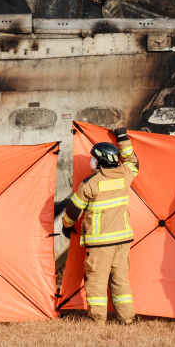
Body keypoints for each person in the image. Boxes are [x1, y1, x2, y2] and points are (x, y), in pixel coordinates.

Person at [61, 128, 140, 325]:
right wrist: (123, 138)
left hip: (100, 244)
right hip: (122, 241)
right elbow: (133, 161)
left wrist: (66, 226)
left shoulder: (90, 183)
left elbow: (73, 209)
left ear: (101, 161)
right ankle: (127, 319)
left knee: (96, 281)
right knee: (120, 280)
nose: (91, 161)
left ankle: (97, 321)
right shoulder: (126, 175)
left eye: (93, 159)